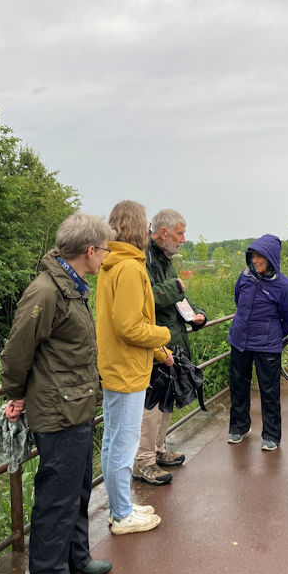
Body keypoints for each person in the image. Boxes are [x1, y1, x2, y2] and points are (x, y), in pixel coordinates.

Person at [1, 213, 114, 574]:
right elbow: (18, 351)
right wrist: (14, 394)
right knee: (56, 494)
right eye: (103, 250)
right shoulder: (46, 291)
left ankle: (76, 556)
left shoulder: (72, 286)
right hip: (57, 410)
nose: (105, 257)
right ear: (88, 250)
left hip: (77, 404)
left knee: (79, 487)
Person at [96, 200, 171, 532]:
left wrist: (158, 351)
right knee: (122, 444)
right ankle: (122, 513)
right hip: (127, 370)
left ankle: (119, 507)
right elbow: (131, 326)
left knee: (113, 442)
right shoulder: (128, 267)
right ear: (140, 228)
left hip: (116, 365)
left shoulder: (112, 263)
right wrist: (164, 334)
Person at [132, 209, 207, 485]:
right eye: (180, 233)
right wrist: (176, 287)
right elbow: (146, 296)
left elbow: (178, 297)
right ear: (163, 233)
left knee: (165, 402)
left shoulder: (164, 257)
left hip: (170, 340)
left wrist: (197, 316)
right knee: (151, 406)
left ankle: (158, 450)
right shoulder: (144, 257)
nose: (183, 239)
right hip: (154, 343)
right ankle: (144, 461)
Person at [227, 234, 288, 451]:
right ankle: (239, 427)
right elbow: (238, 300)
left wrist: (273, 335)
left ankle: (271, 435)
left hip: (267, 345)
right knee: (238, 386)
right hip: (240, 340)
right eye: (253, 256)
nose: (256, 261)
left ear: (271, 259)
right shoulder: (245, 276)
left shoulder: (285, 286)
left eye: (261, 257)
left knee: (269, 391)